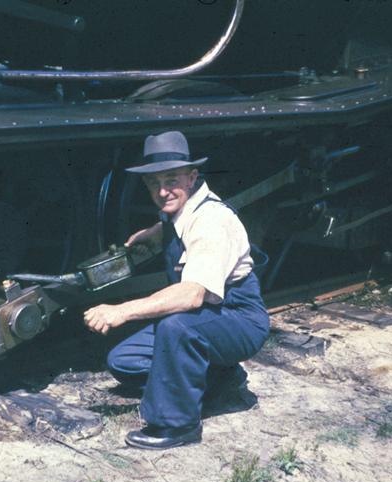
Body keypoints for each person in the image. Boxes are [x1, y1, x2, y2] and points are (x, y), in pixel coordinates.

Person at [83, 130, 270, 450]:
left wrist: (121, 311)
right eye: (154, 183)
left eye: (171, 180)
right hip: (209, 315)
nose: (162, 191)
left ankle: (177, 425)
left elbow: (191, 295)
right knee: (123, 360)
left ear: (191, 176)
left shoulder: (211, 221)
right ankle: (221, 378)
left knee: (176, 326)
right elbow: (176, 226)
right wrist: (155, 233)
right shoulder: (181, 211)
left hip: (239, 318)